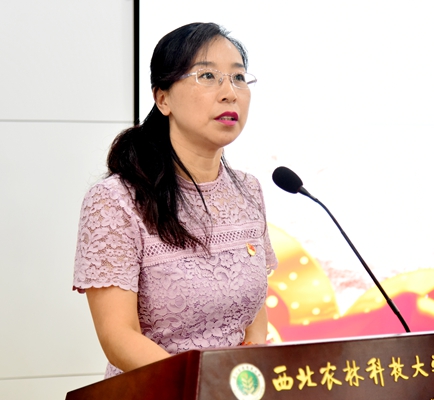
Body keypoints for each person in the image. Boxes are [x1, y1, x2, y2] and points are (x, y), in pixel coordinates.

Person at [73, 22, 277, 378]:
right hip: (160, 389)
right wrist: (202, 386)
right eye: (208, 76)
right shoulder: (116, 200)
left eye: (238, 77)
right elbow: (118, 336)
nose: (229, 93)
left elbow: (254, 315)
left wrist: (246, 378)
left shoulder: (249, 190)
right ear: (162, 98)